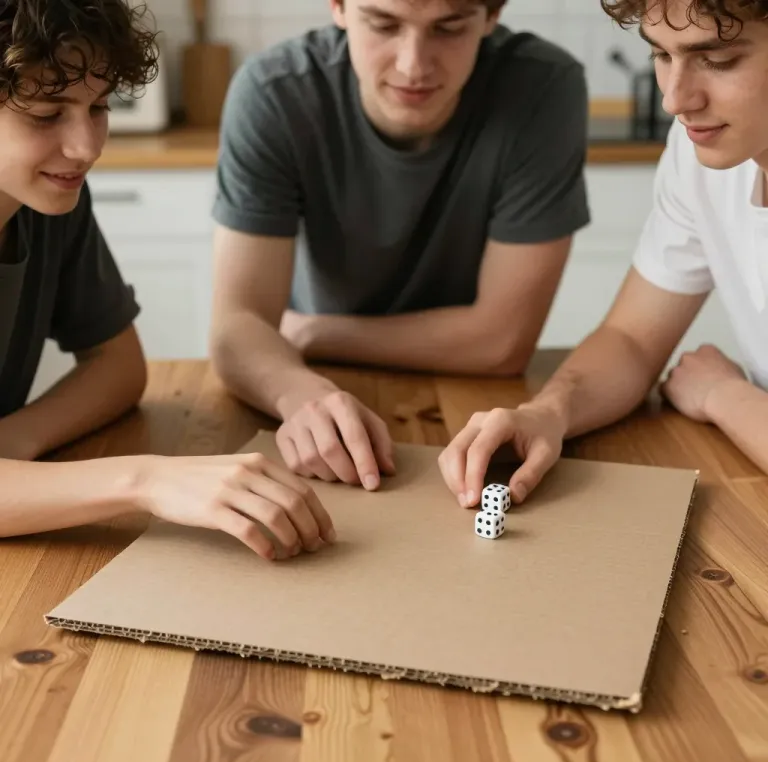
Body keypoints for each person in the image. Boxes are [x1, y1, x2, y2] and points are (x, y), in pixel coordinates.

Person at [209, 0, 591, 492]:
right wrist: (299, 393)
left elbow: (501, 344)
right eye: (383, 24)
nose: (413, 65)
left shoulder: (544, 87)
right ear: (339, 7)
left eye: (449, 28)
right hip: (312, 378)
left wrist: (307, 333)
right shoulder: (273, 92)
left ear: (492, 16)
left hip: (473, 390)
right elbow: (236, 330)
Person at [0, 0, 335, 561]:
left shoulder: (46, 201)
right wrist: (148, 481)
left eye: (99, 107)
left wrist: (16, 439)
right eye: (46, 114)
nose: (86, 147)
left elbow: (119, 367)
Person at [439, 0, 768, 508]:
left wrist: (724, 396)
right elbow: (632, 338)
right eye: (662, 55)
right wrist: (548, 412)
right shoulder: (698, 156)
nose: (675, 100)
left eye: (718, 60)